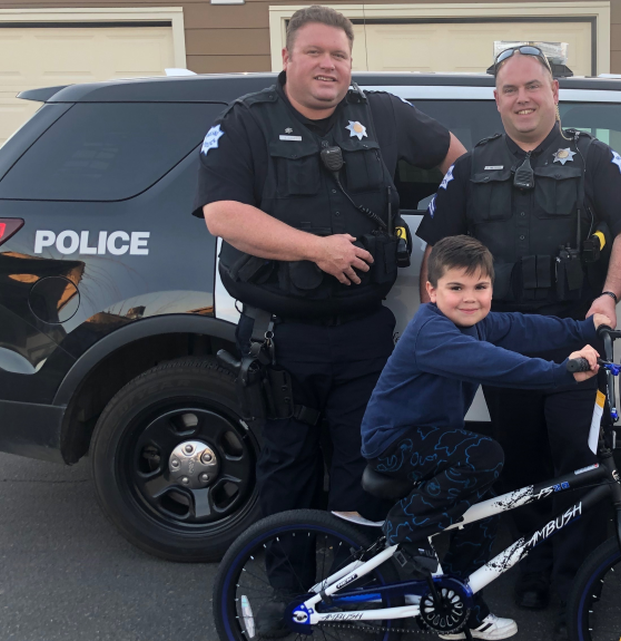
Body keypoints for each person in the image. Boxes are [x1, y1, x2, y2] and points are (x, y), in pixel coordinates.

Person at [193, 6, 465, 542]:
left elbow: (460, 164)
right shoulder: (247, 120)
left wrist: (441, 240)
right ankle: (288, 597)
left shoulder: (383, 113)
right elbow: (222, 215)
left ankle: (353, 591)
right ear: (287, 56)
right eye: (314, 52)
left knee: (363, 465)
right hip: (281, 335)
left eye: (339, 54)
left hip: (364, 331)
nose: (328, 64)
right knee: (286, 466)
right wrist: (316, 249)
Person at [415, 45, 621, 632]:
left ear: (554, 92)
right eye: (509, 90)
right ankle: (533, 563)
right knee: (519, 460)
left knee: (577, 457)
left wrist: (608, 296)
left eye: (532, 86)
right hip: (501, 341)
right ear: (496, 100)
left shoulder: (593, 157)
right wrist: (441, 317)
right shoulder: (472, 167)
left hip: (576, 336)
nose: (521, 98)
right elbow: (437, 252)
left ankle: (577, 580)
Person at [361, 235, 607, 640]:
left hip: (434, 440)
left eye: (481, 287)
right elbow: (497, 365)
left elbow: (525, 328)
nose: (470, 298)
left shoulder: (479, 322)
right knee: (488, 453)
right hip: (395, 442)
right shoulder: (432, 331)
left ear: (493, 288)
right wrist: (560, 372)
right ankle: (405, 525)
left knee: (483, 513)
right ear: (431, 290)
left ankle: (459, 605)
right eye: (456, 288)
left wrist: (584, 328)